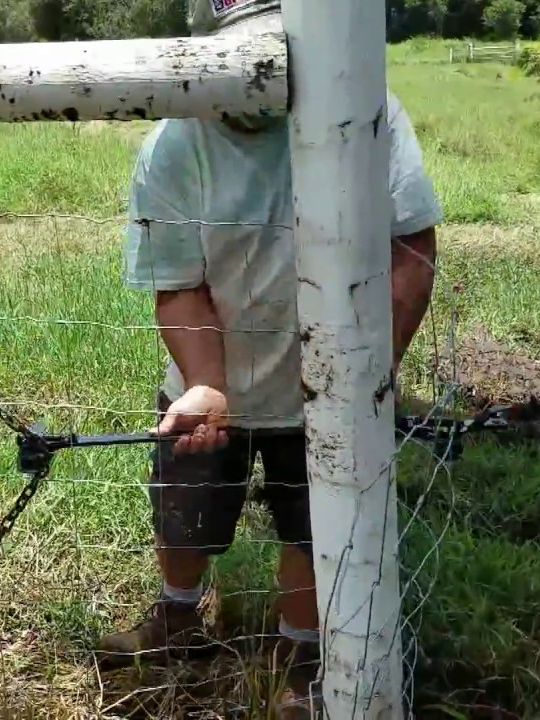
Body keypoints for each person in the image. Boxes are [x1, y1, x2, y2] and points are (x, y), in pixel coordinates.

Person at [97, 0, 443, 715]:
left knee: (314, 522)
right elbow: (180, 283)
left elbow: (410, 252)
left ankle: (299, 654)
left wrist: (359, 378)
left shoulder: (364, 112)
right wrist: (205, 385)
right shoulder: (174, 142)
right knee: (184, 508)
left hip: (332, 382)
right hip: (208, 382)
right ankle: (177, 617)